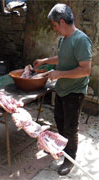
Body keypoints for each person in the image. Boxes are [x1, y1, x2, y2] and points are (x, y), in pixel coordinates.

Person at [33, 3, 92, 176]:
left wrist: (59, 74)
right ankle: (61, 149)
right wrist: (44, 61)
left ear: (61, 22)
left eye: (54, 25)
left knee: (70, 128)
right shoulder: (63, 39)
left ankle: (69, 159)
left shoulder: (81, 40)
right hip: (62, 90)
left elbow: (85, 70)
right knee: (59, 122)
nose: (54, 29)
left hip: (74, 92)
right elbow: (62, 58)